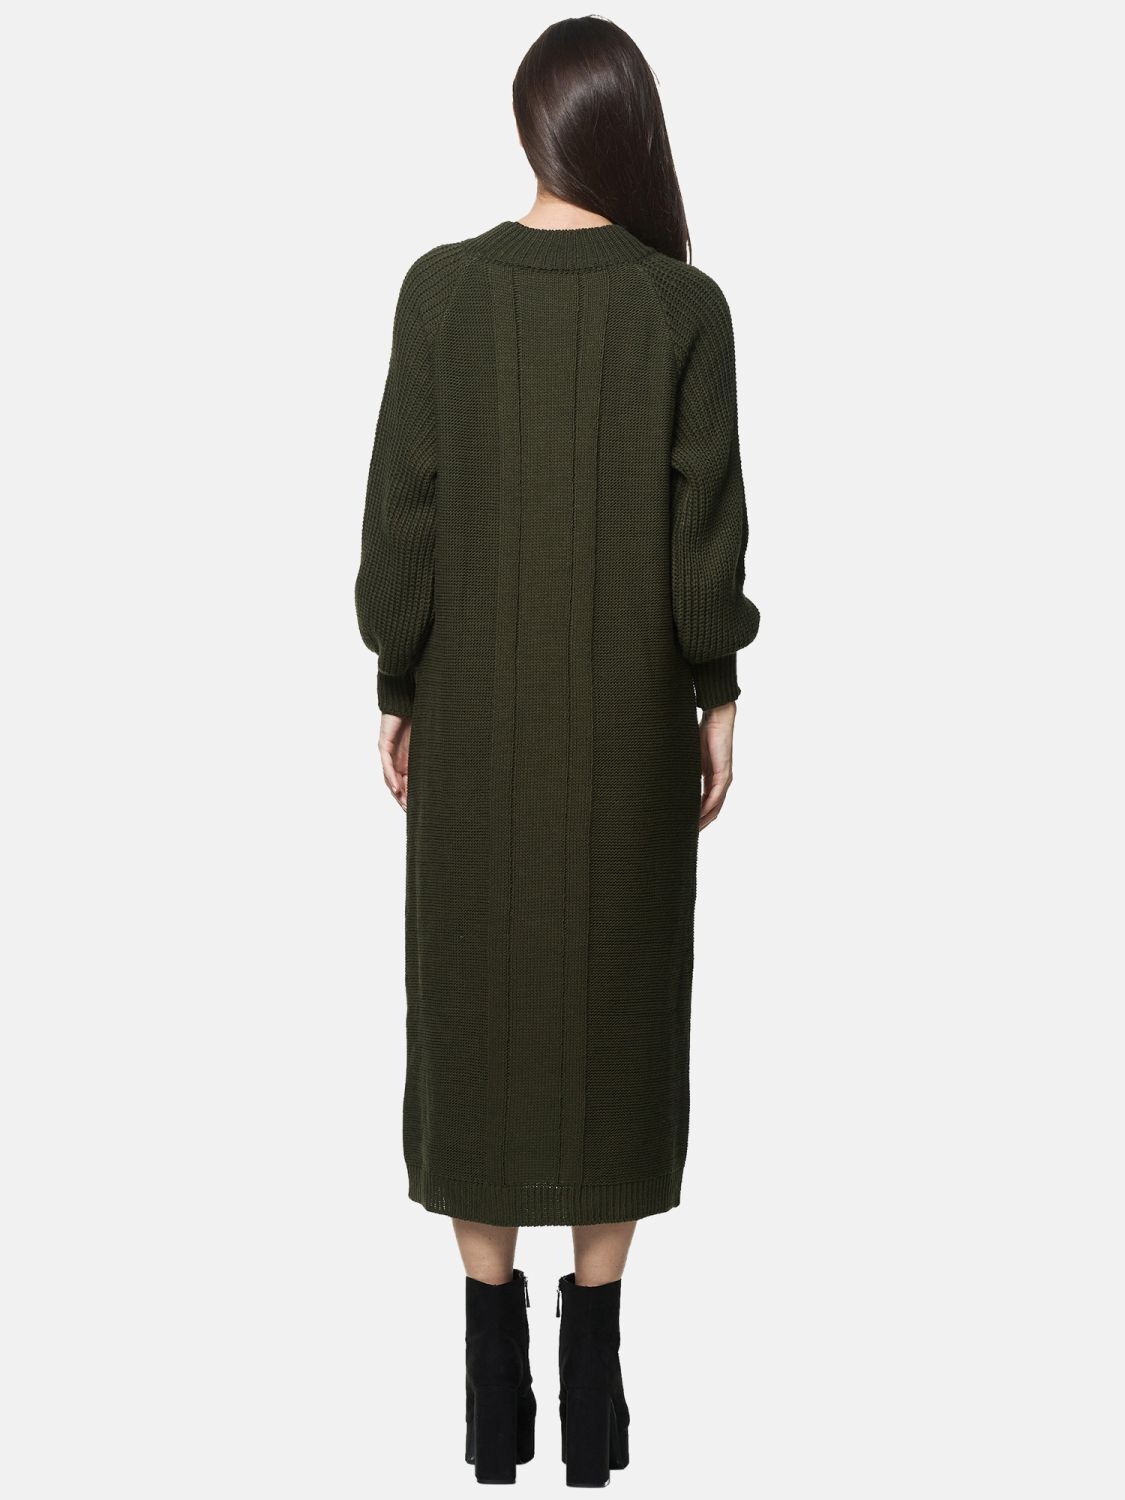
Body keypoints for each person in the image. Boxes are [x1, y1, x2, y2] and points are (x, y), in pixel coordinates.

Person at [355, 16, 760, 1486]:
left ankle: (490, 1405)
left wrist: (396, 676)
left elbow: (401, 523)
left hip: (469, 726)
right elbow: (703, 540)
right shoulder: (682, 308)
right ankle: (594, 1404)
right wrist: (715, 688)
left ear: (531, 126)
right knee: (611, 1021)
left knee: (476, 1018)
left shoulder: (441, 294)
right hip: (627, 733)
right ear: (627, 132)